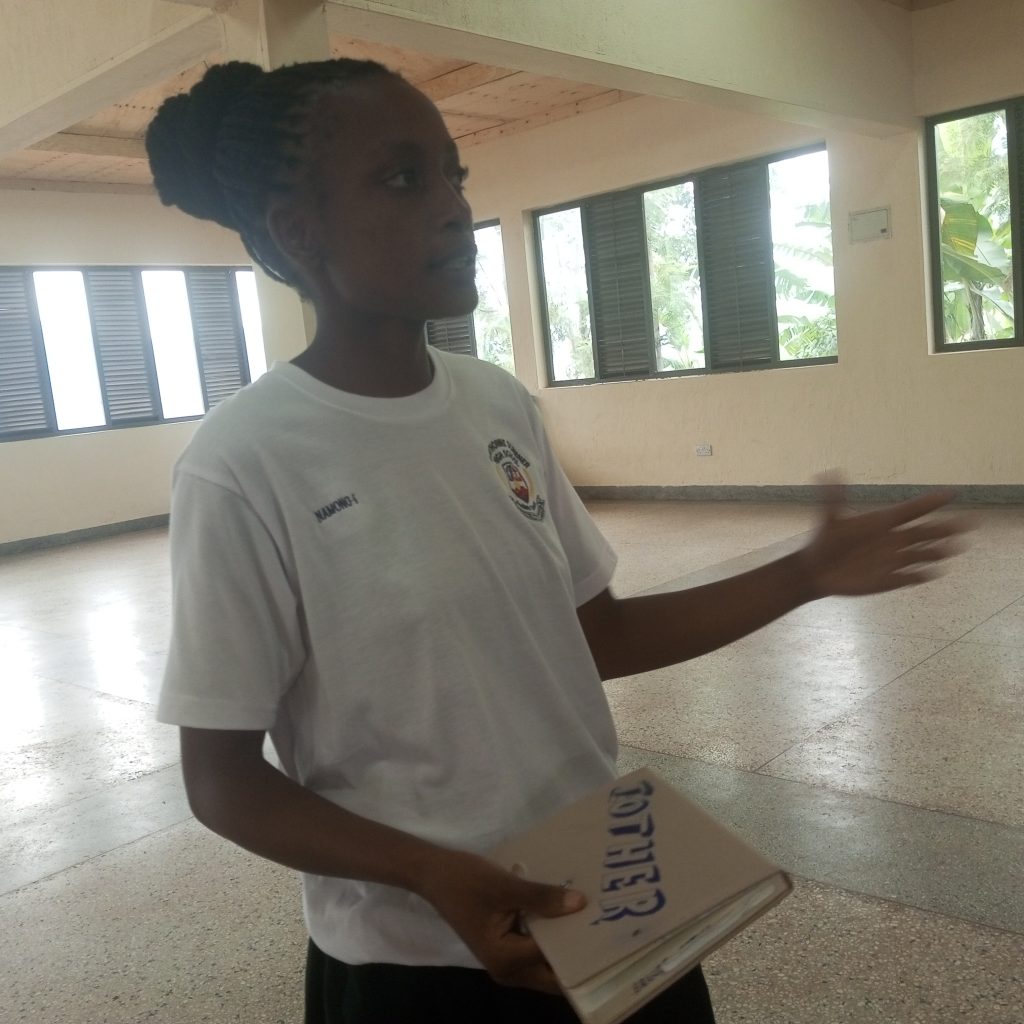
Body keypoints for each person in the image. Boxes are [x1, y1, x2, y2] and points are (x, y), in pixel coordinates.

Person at [148, 58, 967, 1024]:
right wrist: (429, 872)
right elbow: (223, 781)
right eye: (404, 179)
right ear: (300, 232)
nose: (455, 208)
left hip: (607, 896)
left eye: (453, 173)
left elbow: (596, 634)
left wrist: (803, 574)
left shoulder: (496, 402)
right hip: (422, 959)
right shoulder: (243, 461)